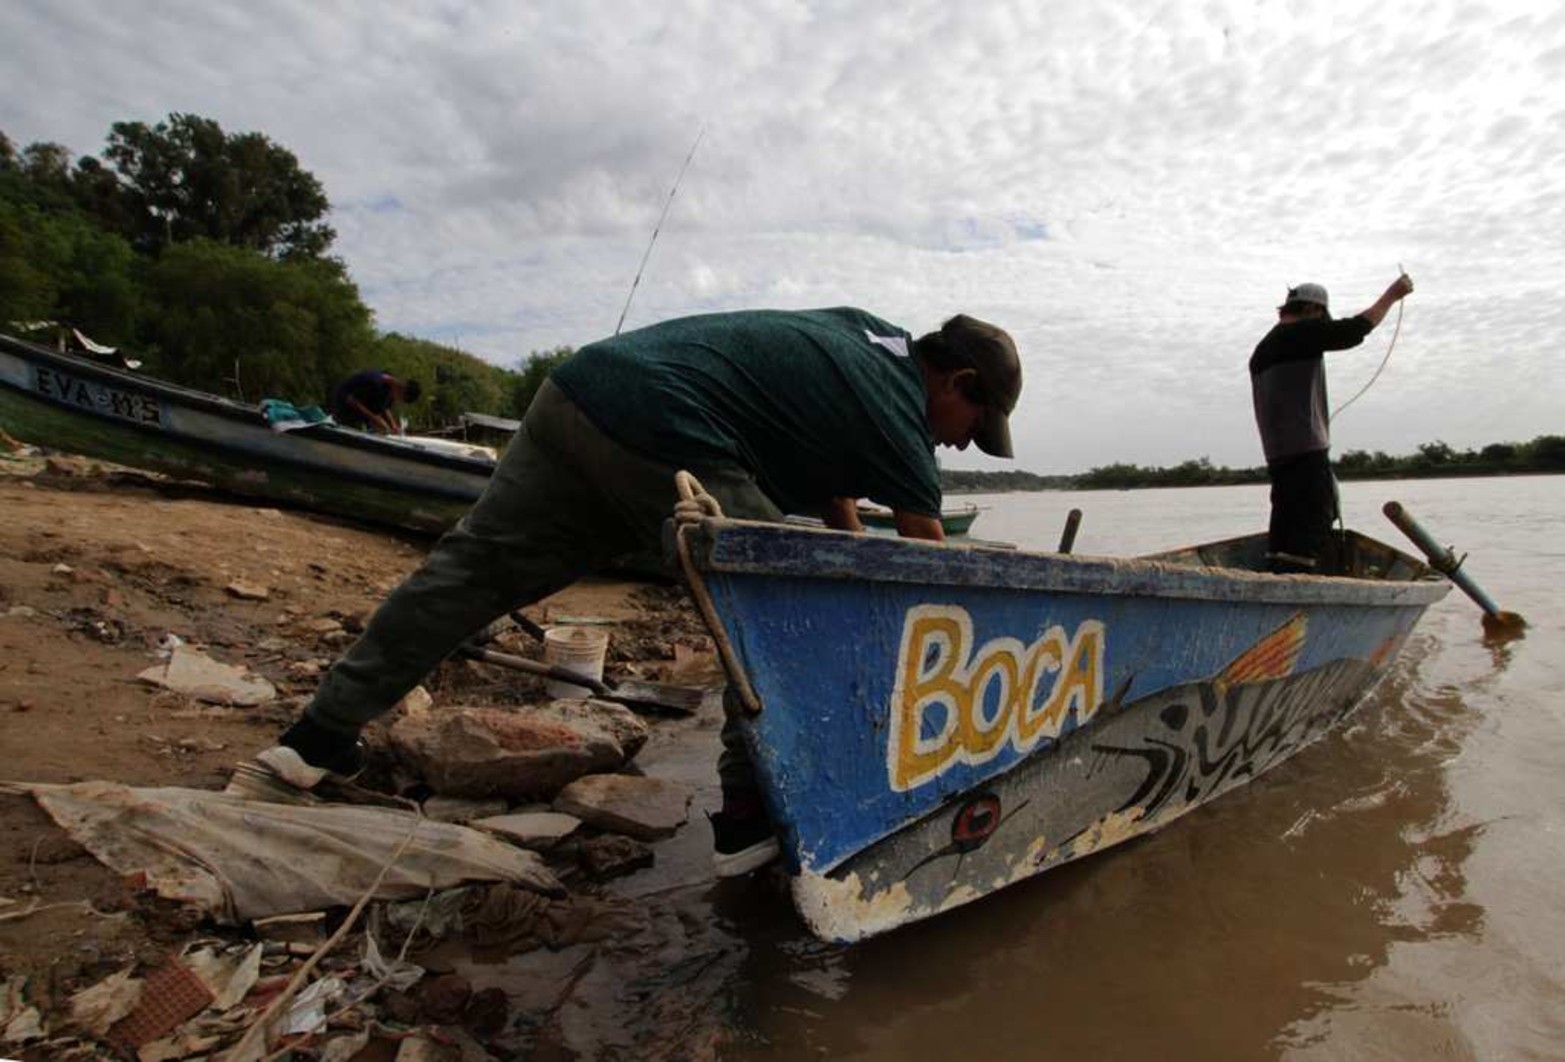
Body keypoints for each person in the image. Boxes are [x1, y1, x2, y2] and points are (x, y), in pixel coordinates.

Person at [258, 307, 1023, 876]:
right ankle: (749, 820)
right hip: (666, 425)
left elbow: (835, 499)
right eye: (972, 425)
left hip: (579, 393)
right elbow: (932, 561)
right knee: (782, 616)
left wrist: (847, 559)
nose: (959, 443)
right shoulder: (896, 407)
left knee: (472, 571)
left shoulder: (861, 343)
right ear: (956, 381)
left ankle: (315, 739)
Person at [1249, 272, 1414, 573]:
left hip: (1278, 456)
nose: (1323, 324)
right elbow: (1355, 330)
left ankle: (1278, 576)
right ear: (1313, 311)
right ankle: (1296, 591)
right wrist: (1393, 294)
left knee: (1285, 530)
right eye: (1322, 318)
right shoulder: (1299, 335)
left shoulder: (1263, 348)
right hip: (1306, 451)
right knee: (1311, 528)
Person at [328, 370, 422, 434]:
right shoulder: (375, 383)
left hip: (362, 409)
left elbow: (385, 407)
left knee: (381, 429)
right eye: (400, 398)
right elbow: (352, 400)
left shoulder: (391, 390)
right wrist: (375, 418)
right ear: (401, 390)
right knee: (359, 432)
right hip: (345, 406)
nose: (398, 400)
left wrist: (393, 425)